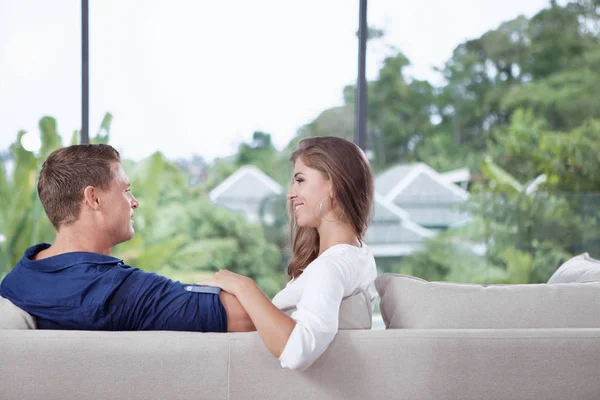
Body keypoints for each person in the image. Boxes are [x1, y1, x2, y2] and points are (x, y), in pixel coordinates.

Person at [0, 144, 254, 333]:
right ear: (93, 198)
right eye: (125, 190)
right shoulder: (119, 292)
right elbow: (248, 315)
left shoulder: (18, 280)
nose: (135, 202)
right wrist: (240, 284)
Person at [198, 136, 377, 370]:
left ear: (334, 184)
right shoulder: (358, 255)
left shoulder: (332, 266)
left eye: (300, 180)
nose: (290, 194)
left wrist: (243, 287)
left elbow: (298, 351)